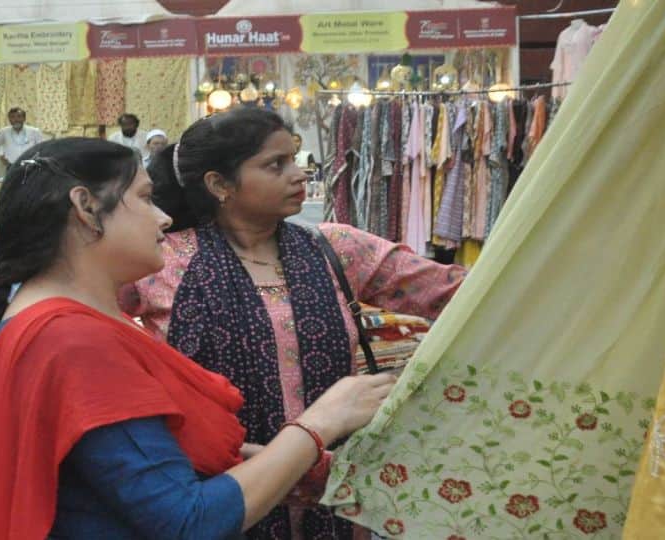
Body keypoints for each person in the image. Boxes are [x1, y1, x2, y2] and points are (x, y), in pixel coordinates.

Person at [0, 138, 394, 539]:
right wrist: (322, 422)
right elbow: (186, 520)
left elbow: (133, 460)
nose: (164, 217)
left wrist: (290, 462)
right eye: (145, 198)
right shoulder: (74, 340)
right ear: (86, 208)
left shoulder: (53, 320)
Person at [120, 107, 466, 539]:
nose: (299, 174)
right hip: (219, 492)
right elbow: (87, 324)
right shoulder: (161, 261)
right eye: (276, 164)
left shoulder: (335, 248)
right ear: (219, 184)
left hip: (334, 492)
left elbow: (459, 293)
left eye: (295, 159)